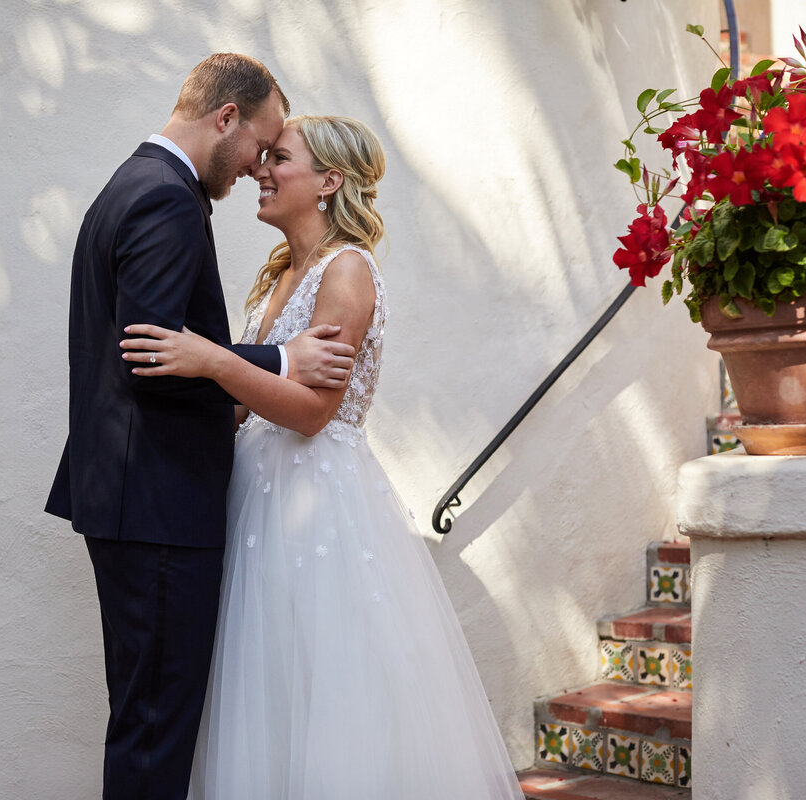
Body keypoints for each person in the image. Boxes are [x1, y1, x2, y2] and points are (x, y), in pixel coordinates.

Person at [121, 116, 525, 799]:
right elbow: (252, 400)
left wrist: (212, 359)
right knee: (263, 689)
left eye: (279, 158)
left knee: (324, 689)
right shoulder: (282, 273)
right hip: (259, 500)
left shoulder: (347, 273)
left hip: (317, 514)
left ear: (330, 181)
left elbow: (310, 413)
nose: (260, 170)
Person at [44, 55, 357, 800]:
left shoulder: (133, 183)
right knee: (155, 730)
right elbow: (151, 352)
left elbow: (166, 350)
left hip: (134, 499)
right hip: (156, 504)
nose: (257, 167)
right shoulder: (168, 199)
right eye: (262, 144)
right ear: (227, 119)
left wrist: (233, 369)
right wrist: (279, 356)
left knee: (146, 720)